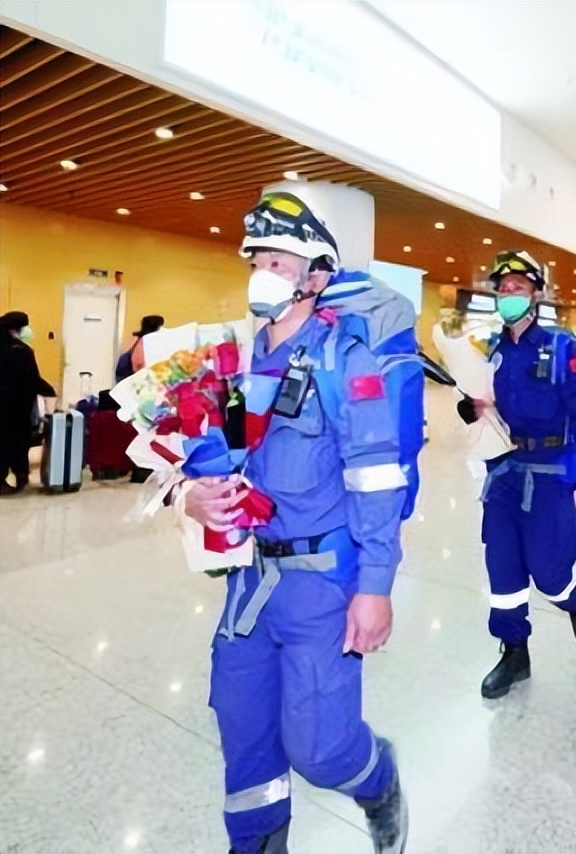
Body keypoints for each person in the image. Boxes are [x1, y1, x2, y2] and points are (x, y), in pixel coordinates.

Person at [183, 187, 410, 854]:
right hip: (249, 583)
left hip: (322, 583)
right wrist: (190, 498)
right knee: (244, 730)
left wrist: (376, 585)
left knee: (320, 749)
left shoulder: (348, 360)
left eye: (280, 261)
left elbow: (375, 479)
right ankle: (258, 843)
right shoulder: (231, 364)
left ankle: (378, 778)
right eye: (257, 257)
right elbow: (208, 460)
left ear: (317, 275)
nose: (263, 270)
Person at [456, 249, 576, 698]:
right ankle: (513, 651)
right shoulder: (489, 349)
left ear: (535, 294)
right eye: (502, 290)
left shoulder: (561, 347)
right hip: (502, 470)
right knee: (502, 567)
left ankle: (574, 599)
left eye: (517, 288)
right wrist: (470, 409)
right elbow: (481, 403)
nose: (508, 295)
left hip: (549, 469)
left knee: (548, 568)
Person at [0, 311, 45, 495]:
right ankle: (20, 475)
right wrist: (49, 391)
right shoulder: (22, 351)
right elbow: (32, 379)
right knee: (18, 442)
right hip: (17, 407)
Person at [115, 314, 165, 382]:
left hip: (124, 373)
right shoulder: (143, 340)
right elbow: (137, 364)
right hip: (131, 376)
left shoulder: (135, 337)